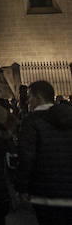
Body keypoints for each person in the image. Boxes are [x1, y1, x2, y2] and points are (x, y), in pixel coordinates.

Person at [15, 80, 72, 224]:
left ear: (38, 97)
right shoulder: (69, 116)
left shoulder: (31, 121)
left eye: (30, 97)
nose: (28, 101)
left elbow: (27, 157)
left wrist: (22, 187)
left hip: (45, 192)